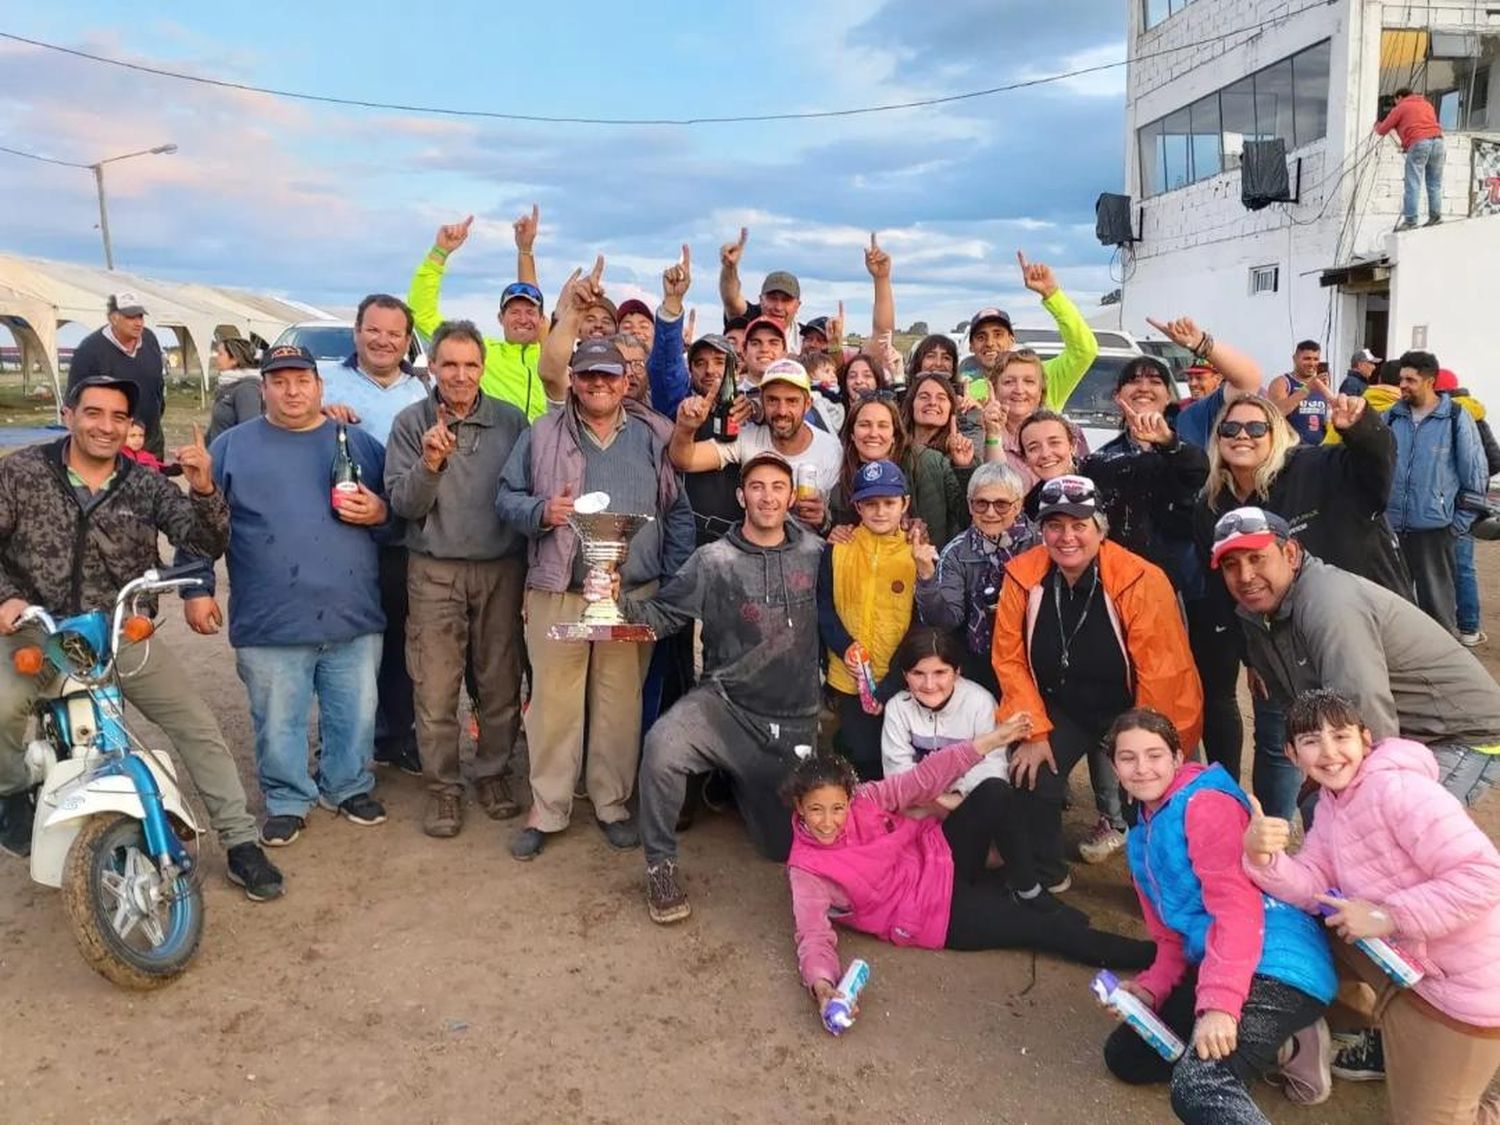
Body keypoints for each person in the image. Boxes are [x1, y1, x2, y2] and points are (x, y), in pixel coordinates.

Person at [0, 376, 283, 900]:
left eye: (118, 417)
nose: (105, 426)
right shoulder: (21, 473)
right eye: (93, 413)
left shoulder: (145, 482)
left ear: (131, 426)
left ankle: (242, 842)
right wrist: (6, 599)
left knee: (194, 722)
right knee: (2, 704)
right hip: (36, 629)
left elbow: (203, 539)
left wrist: (203, 488)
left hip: (118, 631)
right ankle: (13, 794)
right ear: (69, 415)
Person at [787, 727, 1157, 1027]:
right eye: (816, 810)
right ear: (799, 808)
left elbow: (922, 779)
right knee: (1048, 930)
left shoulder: (866, 798)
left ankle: (1028, 889)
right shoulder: (808, 870)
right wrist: (823, 987)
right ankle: (1155, 955)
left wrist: (991, 741)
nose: (828, 821)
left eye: (837, 808)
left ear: (849, 800)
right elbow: (812, 933)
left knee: (995, 793)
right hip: (934, 915)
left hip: (939, 856)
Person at [1241, 689, 1500, 1118]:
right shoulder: (1332, 804)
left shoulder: (1401, 791)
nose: (1328, 752)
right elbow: (1312, 888)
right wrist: (1262, 856)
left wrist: (1387, 915)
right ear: (1291, 753)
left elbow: (1484, 876)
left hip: (1466, 987)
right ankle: (1364, 1029)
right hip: (1409, 967)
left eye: (1340, 737)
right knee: (1309, 925)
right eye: (1310, 741)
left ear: (1365, 739)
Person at [496, 339, 695, 861]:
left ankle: (612, 803)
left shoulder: (656, 434)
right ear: (574, 379)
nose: (598, 384)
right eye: (588, 376)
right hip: (559, 589)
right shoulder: (542, 433)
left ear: (626, 381)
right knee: (554, 705)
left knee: (619, 703)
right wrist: (543, 510)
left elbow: (677, 511)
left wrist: (673, 578)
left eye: (608, 376)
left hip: (632, 594)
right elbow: (505, 497)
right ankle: (549, 806)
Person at [189, 344, 391, 846]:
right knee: (278, 718)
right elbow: (199, 527)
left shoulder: (358, 444)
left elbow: (402, 516)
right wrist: (198, 587)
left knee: (355, 712)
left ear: (320, 388)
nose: (292, 390)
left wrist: (381, 513)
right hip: (271, 617)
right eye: (279, 381)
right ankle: (286, 798)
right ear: (264, 390)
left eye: (302, 380)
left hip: (352, 615)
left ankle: (347, 785)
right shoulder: (231, 448)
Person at [1100, 708, 1336, 1123]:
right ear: (1113, 765)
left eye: (1154, 755)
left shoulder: (1205, 804)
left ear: (1177, 758)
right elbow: (1170, 937)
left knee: (1201, 1088)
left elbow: (1237, 908)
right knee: (1128, 1056)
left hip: (1276, 961)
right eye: (1128, 758)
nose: (1142, 769)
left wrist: (1221, 1007)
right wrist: (1151, 989)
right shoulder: (1140, 835)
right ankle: (1285, 1043)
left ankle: (1282, 1027)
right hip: (1219, 957)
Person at [621, 451, 822, 923]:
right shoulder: (713, 560)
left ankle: (731, 787)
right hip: (723, 709)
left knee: (779, 849)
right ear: (741, 495)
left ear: (792, 496)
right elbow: (663, 617)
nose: (768, 496)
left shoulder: (818, 554)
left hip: (792, 723)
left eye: (777, 487)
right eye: (757, 487)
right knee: (663, 747)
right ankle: (660, 866)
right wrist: (613, 598)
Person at [1192, 391, 1407, 820]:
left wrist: (1362, 430)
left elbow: (1375, 475)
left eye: (1257, 427)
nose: (1243, 436)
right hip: (1279, 644)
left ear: (1277, 434)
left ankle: (1374, 820)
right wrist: (1252, 657)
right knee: (1282, 737)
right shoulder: (1213, 505)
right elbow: (1225, 588)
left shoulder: (1314, 468)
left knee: (1362, 733)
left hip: (1355, 631)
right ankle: (1279, 833)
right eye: (1230, 428)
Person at [1210, 507, 1500, 810]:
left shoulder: (1329, 605)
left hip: (1460, 733)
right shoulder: (1257, 613)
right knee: (1321, 809)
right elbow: (1293, 706)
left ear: (1291, 554)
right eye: (1231, 565)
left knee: (1387, 825)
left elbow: (1364, 706)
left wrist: (1360, 800)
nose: (1245, 576)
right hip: (1404, 730)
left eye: (1257, 558)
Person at [993, 476, 1202, 876]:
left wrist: (1146, 745)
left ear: (1100, 529)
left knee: (1153, 787)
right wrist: (1034, 732)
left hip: (1130, 707)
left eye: (1079, 525)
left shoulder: (1139, 578)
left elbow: (1165, 673)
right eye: (1055, 526)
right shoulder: (1022, 576)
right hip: (1062, 705)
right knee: (1029, 774)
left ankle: (1164, 884)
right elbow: (1009, 658)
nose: (1066, 537)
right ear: (1042, 532)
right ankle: (1046, 875)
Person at [384, 321, 530, 838]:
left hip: (499, 568)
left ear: (483, 368)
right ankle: (444, 789)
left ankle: (493, 774)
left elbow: (524, 495)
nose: (460, 375)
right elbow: (403, 505)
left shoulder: (511, 422)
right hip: (434, 569)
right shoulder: (410, 423)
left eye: (470, 364)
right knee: (436, 686)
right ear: (432, 367)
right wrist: (430, 464)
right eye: (450, 364)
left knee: (498, 682)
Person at [321, 294, 429, 778]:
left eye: (394, 333)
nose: (383, 340)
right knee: (342, 642)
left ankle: (396, 738)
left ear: (408, 340)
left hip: (403, 534)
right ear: (356, 332)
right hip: (342, 534)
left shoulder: (422, 392)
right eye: (374, 330)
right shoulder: (326, 384)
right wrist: (321, 417)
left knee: (402, 640)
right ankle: (338, 744)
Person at [818, 460, 922, 780]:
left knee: (898, 756)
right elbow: (823, 606)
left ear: (904, 503)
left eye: (889, 503)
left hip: (900, 678)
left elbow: (920, 623)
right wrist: (845, 645)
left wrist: (891, 681)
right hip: (849, 679)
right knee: (859, 755)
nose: (880, 512)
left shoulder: (915, 554)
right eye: (870, 504)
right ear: (857, 507)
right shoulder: (837, 549)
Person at [408, 208, 557, 420]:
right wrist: (439, 253)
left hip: (545, 451)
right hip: (495, 450)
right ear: (500, 318)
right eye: (514, 312)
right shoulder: (482, 353)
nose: (523, 319)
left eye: (530, 312)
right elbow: (423, 315)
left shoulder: (551, 359)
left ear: (541, 320)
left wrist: (525, 250)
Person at [1383, 349, 1488, 634]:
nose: (1402, 384)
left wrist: (1456, 526)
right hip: (1392, 531)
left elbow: (1475, 475)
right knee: (1393, 608)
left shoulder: (1455, 418)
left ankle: (1444, 671)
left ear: (1430, 381)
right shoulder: (1390, 417)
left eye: (1410, 379)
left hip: (1435, 531)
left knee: (1438, 613)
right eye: (1401, 378)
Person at [669, 358, 840, 531]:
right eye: (773, 400)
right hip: (753, 551)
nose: (782, 411)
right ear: (761, 401)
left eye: (792, 401)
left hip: (807, 552)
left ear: (808, 404)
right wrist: (685, 428)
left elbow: (842, 518)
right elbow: (684, 460)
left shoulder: (830, 449)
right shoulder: (748, 437)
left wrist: (823, 519)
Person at [914, 462, 1035, 694]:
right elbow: (944, 621)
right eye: (981, 503)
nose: (990, 513)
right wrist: (926, 576)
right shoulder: (956, 552)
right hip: (978, 660)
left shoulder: (1039, 543)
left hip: (1032, 658)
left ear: (1018, 505)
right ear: (970, 506)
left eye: (1001, 504)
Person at [962, 253, 1099, 416]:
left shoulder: (1045, 375)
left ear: (1012, 340)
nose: (990, 343)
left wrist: (1051, 293)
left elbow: (1084, 350)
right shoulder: (968, 392)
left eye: (998, 334)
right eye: (981, 337)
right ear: (971, 346)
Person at [829, 397, 964, 546]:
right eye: (864, 425)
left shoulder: (927, 462)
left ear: (894, 435)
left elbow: (970, 510)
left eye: (883, 425)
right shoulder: (841, 491)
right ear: (852, 435)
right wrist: (835, 532)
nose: (873, 433)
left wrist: (965, 467)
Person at [1437, 367, 1500, 647]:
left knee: (1436, 566)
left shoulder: (1448, 415)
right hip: (1466, 505)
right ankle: (1469, 628)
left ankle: (1444, 626)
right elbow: (1495, 460)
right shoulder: (1476, 414)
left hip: (1448, 504)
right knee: (1463, 567)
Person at [64, 291, 167, 458]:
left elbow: (158, 384)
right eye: (130, 317)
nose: (138, 322)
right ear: (113, 318)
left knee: (154, 482)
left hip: (150, 438)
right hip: (112, 441)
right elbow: (74, 402)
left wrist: (156, 413)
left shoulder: (149, 340)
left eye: (140, 316)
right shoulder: (89, 351)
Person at [985, 351, 1090, 489]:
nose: (1019, 390)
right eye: (1009, 382)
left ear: (1041, 391)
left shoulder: (1069, 431)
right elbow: (995, 488)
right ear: (994, 389)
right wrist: (992, 434)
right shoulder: (979, 435)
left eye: (1029, 382)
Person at [1376, 87, 1445, 229]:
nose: (1395, 104)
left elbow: (1383, 130)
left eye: (1395, 101)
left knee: (1413, 183)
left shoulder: (1401, 107)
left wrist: (1377, 124)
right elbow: (1418, 123)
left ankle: (1410, 221)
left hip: (1419, 143)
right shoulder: (1427, 105)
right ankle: (1435, 217)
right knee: (1434, 184)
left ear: (1399, 97)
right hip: (1438, 142)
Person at [900, 371, 981, 467]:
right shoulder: (895, 447)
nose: (932, 402)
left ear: (951, 408)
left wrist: (962, 466)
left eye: (941, 398)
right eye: (924, 397)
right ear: (911, 404)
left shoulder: (963, 450)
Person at [1268, 340, 1331, 446]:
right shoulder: (1282, 382)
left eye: (1316, 359)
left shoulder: (1321, 385)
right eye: (1307, 359)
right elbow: (1276, 413)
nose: (1312, 364)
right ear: (1295, 359)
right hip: (1292, 449)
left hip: (1320, 450)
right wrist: (1308, 388)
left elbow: (1327, 415)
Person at [206, 337, 263, 445]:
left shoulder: (247, 390)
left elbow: (248, 433)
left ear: (234, 360)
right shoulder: (227, 386)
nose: (216, 358)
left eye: (220, 354)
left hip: (232, 458)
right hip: (218, 456)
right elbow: (217, 428)